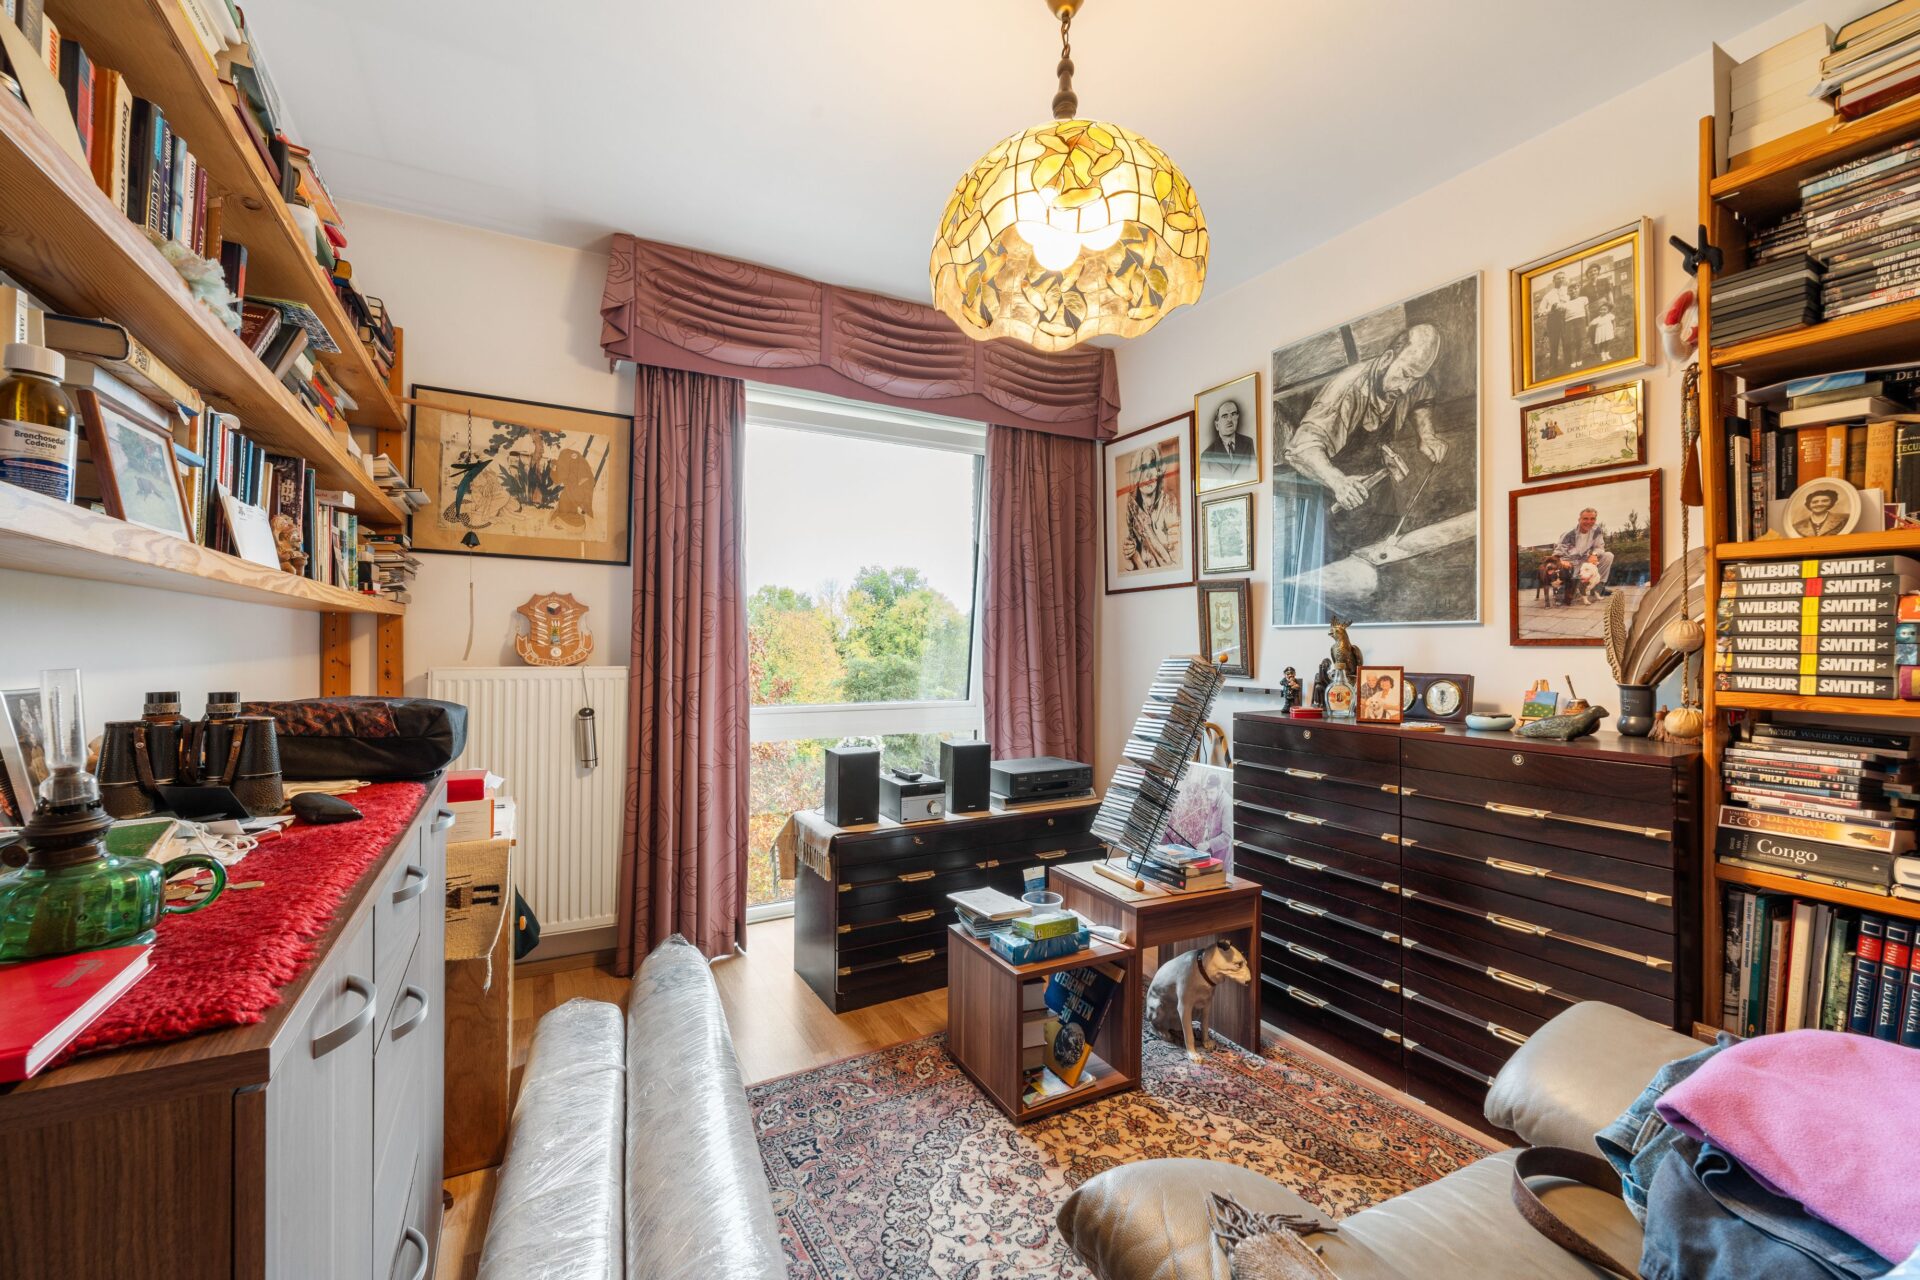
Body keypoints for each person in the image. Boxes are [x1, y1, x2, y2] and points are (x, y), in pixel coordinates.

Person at [1281, 324, 1448, 557]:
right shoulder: (1347, 390)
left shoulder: (1415, 382)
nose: (1405, 388)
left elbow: (1424, 394)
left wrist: (1427, 434)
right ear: (1387, 359)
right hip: (1332, 502)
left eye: (1414, 379)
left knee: (1386, 558)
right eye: (1405, 375)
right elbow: (1301, 448)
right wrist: (1338, 482)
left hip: (1377, 499)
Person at [1119, 446, 1179, 571]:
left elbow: (1173, 565)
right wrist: (1132, 553)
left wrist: (1147, 530)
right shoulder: (1131, 505)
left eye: (1152, 466)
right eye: (1142, 468)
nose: (1148, 475)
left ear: (1158, 470)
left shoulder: (1169, 502)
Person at [1554, 507, 1614, 597]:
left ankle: (1598, 588)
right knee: (1569, 596)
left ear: (1595, 519)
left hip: (1585, 560)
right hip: (1570, 564)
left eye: (1592, 519)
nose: (1589, 522)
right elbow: (1556, 555)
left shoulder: (1597, 530)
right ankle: (1565, 587)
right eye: (1585, 519)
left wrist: (1594, 554)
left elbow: (1600, 547)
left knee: (1608, 556)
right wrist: (1563, 562)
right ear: (1579, 520)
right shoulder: (1569, 534)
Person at [1199, 396, 1257, 486]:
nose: (1230, 419)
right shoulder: (1207, 456)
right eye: (1224, 416)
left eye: (1233, 414)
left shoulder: (1248, 443)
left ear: (1237, 417)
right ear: (1217, 425)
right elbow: (1206, 486)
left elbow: (1254, 475)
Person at [1536, 272, 1571, 375]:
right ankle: (1553, 367)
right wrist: (1550, 310)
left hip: (1566, 318)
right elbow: (1540, 311)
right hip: (1553, 320)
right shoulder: (1548, 295)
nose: (1561, 280)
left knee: (1567, 342)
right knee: (1554, 344)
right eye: (1558, 278)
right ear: (1554, 280)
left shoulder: (1568, 291)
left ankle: (1568, 364)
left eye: (1563, 278)